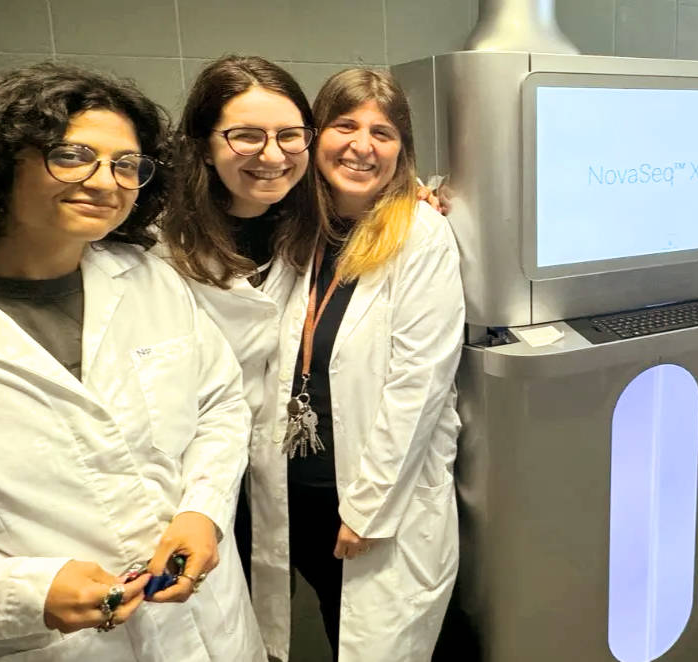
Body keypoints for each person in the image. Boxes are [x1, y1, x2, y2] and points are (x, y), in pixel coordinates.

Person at [0, 62, 264, 660]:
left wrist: (202, 513)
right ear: (6, 159)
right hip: (59, 643)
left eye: (125, 165)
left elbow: (220, 403)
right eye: (72, 155)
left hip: (202, 617)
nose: (105, 181)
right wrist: (22, 594)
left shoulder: (149, 280)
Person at [288, 67, 464, 661]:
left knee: (382, 642)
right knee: (336, 630)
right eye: (345, 125)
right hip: (298, 492)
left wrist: (367, 511)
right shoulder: (297, 230)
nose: (363, 146)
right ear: (315, 137)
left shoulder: (421, 233)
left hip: (370, 504)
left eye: (383, 133)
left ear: (402, 150)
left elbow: (421, 383)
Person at [160, 55, 321, 662]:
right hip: (191, 474)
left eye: (289, 135)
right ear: (203, 145)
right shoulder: (155, 245)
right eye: (246, 135)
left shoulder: (315, 225)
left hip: (287, 464)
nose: (272, 155)